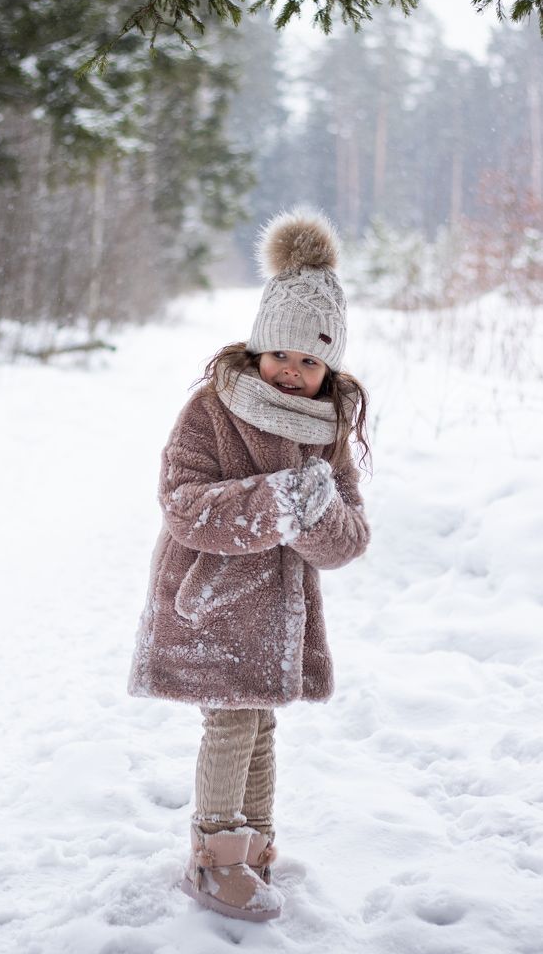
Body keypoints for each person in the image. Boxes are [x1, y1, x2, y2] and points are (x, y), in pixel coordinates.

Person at [128, 207, 371, 922]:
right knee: (231, 725)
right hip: (211, 603)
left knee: (260, 725)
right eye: (281, 354)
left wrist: (316, 509)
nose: (292, 371)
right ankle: (213, 858)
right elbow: (183, 503)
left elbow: (350, 538)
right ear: (258, 347)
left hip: (279, 614)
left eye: (310, 361)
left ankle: (255, 842)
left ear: (328, 368)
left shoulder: (327, 431)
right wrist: (276, 501)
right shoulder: (212, 409)